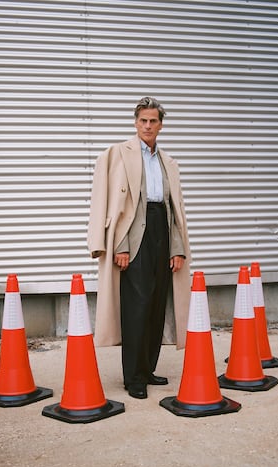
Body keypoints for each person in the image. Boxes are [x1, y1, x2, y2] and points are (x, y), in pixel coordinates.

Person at [87, 97, 191, 399]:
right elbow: (114, 204)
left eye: (154, 121)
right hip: (134, 233)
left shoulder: (167, 161)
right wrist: (120, 245)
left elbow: (174, 208)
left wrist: (177, 248)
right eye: (143, 120)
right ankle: (133, 377)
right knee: (138, 306)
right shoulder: (118, 154)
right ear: (135, 122)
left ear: (161, 125)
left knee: (158, 302)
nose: (148, 126)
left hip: (161, 228)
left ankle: (148, 369)